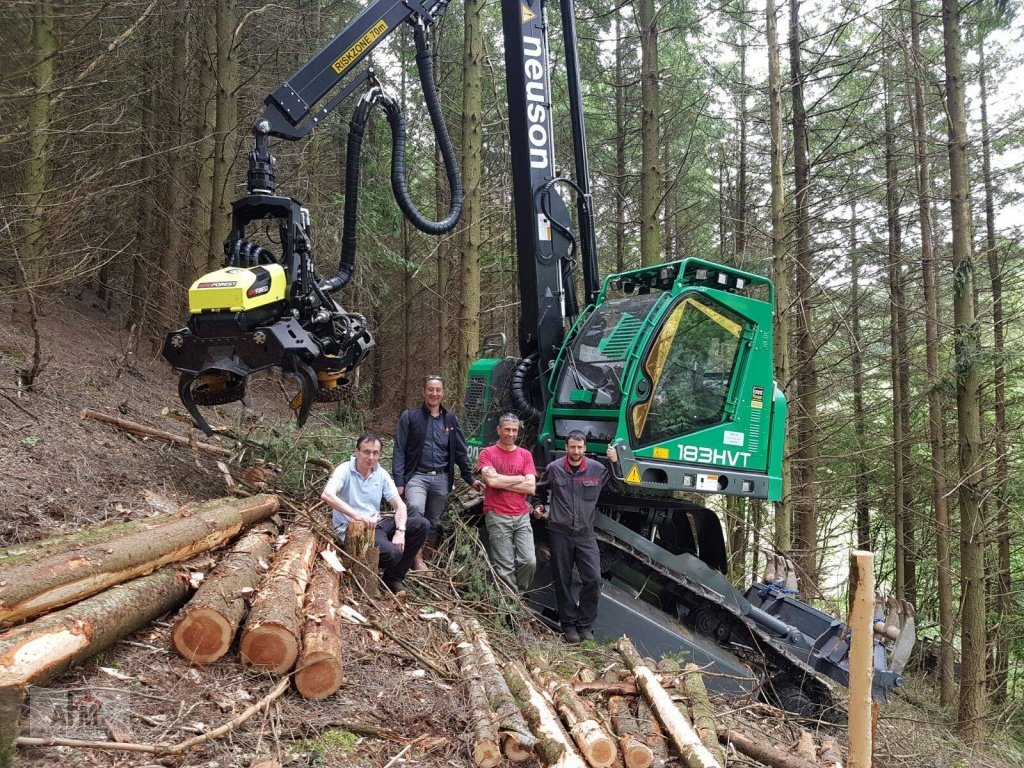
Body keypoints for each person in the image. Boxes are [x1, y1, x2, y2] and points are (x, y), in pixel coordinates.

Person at [532, 431, 618, 643]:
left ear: (585, 448)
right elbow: (538, 493)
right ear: (566, 448)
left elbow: (616, 486)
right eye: (572, 447)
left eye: (580, 447)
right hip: (559, 532)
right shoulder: (555, 469)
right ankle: (568, 625)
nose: (576, 451)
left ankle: (585, 626)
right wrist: (537, 506)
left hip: (585, 534)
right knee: (563, 580)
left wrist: (615, 463)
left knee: (593, 579)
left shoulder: (597, 469)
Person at [393, 375, 485, 571]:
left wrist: (470, 478)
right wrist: (399, 481)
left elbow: (460, 451)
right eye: (430, 389)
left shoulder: (450, 419)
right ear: (423, 392)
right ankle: (416, 561)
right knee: (416, 511)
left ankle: (427, 559)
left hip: (442, 478)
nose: (434, 393)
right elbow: (399, 450)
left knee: (434, 521)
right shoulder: (410, 417)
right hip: (417, 476)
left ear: (442, 393)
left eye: (438, 390)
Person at [321, 433, 428, 594]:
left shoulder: (380, 474)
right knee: (393, 554)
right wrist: (356, 516)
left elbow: (400, 506)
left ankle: (393, 578)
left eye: (375, 453)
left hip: (376, 524)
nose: (371, 457)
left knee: (421, 525)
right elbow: (327, 495)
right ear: (356, 452)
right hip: (353, 529)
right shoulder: (344, 470)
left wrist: (400, 530)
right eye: (366, 452)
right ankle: (359, 566)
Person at [477, 413, 537, 592]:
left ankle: (518, 595)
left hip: (521, 516)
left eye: (514, 430)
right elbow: (492, 482)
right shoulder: (487, 453)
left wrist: (502, 480)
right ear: (499, 430)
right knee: (505, 567)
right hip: (497, 515)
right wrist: (519, 479)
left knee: (529, 561)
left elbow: (531, 487)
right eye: (507, 430)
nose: (511, 434)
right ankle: (512, 610)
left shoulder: (525, 455)